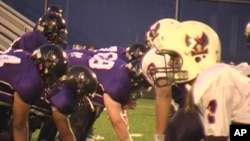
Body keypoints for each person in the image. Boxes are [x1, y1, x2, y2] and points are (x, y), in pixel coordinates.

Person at [0, 44, 69, 141]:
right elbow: (19, 126)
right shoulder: (32, 82)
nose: (53, 83)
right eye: (52, 78)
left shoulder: (25, 56)